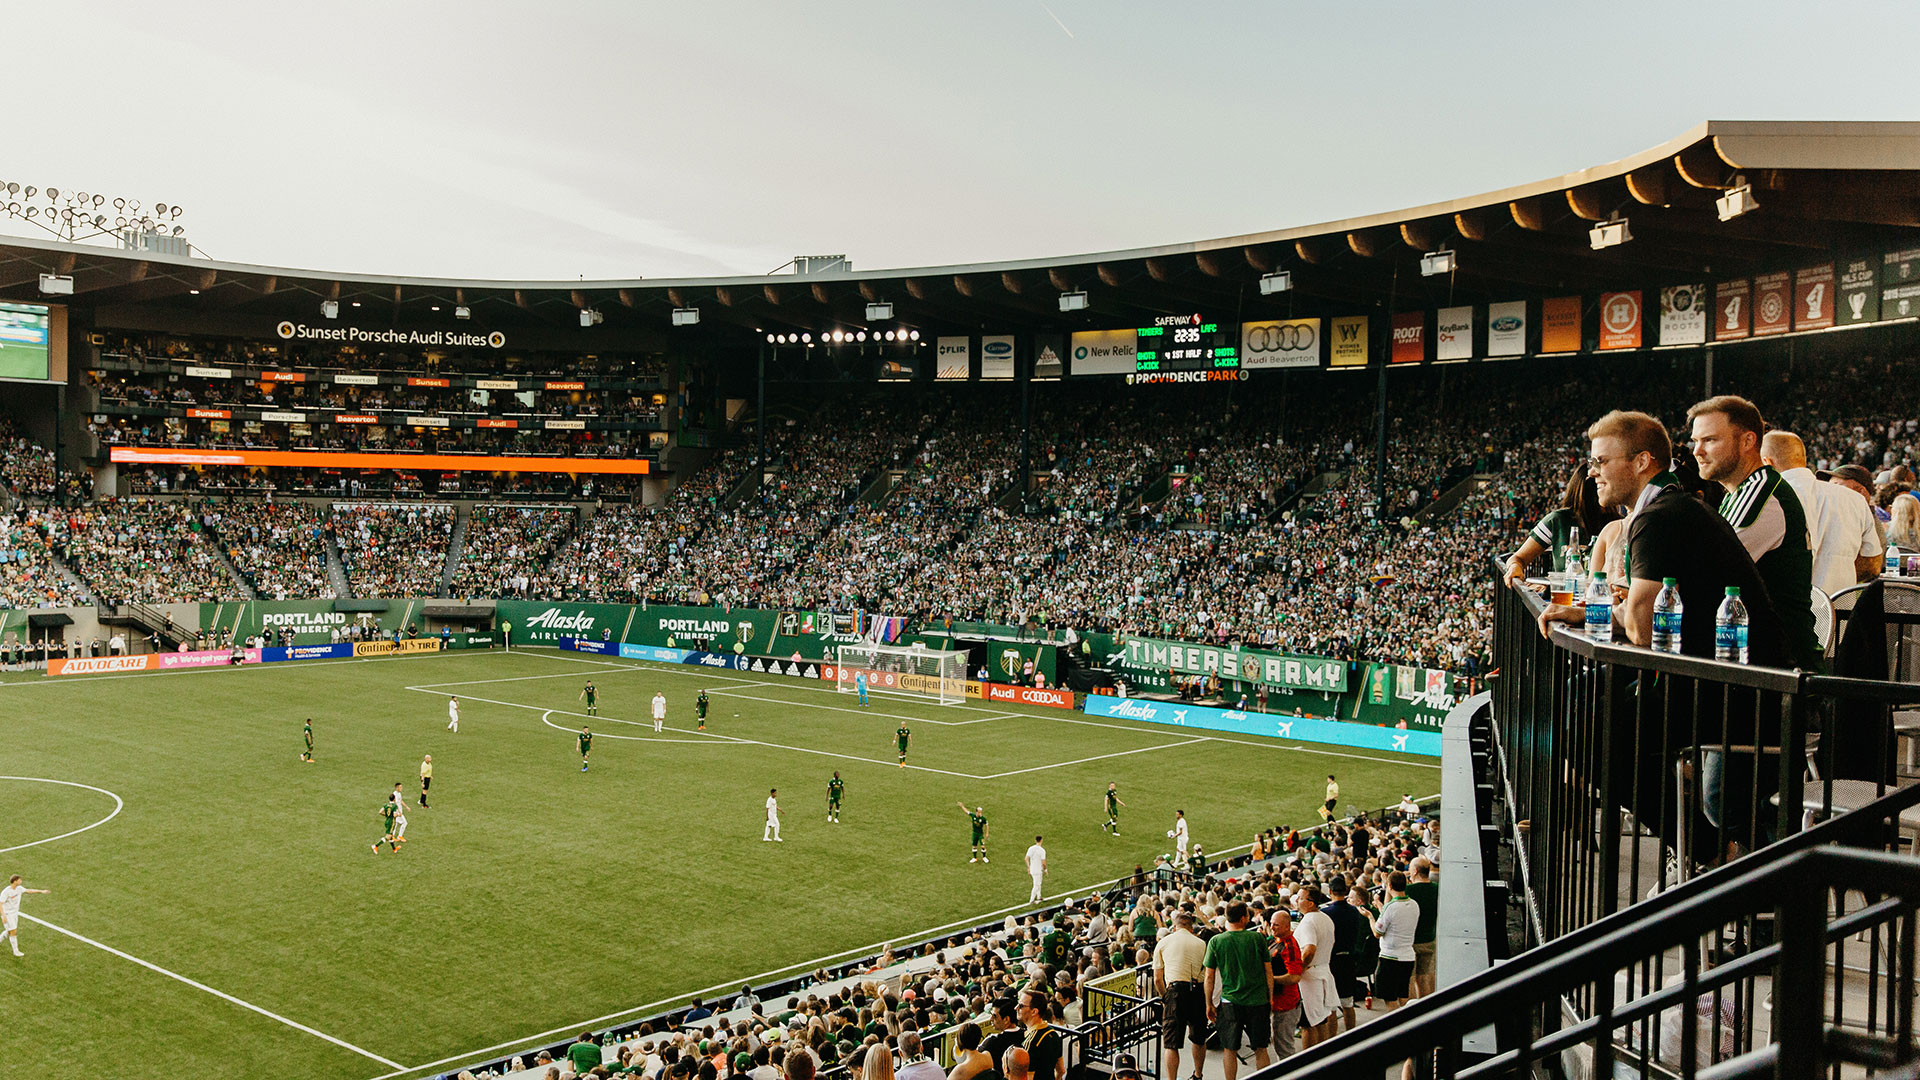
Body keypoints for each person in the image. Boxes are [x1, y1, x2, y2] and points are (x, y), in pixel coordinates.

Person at [1688, 395, 1820, 668]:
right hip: (1755, 658)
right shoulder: (1740, 492)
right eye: (1695, 441)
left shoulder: (1761, 493)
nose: (1696, 451)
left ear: (1748, 441)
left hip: (1777, 669)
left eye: (1709, 440)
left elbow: (1703, 575)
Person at [1762, 431, 1884, 595]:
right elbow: (1872, 565)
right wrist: (1835, 579)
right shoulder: (1855, 500)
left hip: (1788, 610)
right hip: (1840, 608)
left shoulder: (1767, 497)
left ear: (1766, 461)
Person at [1505, 465, 1616, 585]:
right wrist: (1514, 567)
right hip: (1565, 599)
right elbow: (1518, 558)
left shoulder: (1618, 524)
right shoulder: (1557, 520)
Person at [1203, 901, 1274, 1080]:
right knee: (1261, 1048)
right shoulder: (1257, 938)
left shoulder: (1216, 941)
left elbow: (1209, 977)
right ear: (1243, 918)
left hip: (1230, 1002)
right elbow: (1268, 971)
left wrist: (1209, 1003)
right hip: (1257, 1001)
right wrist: (1270, 997)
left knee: (1230, 1048)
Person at [1152, 910, 1207, 1080]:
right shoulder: (1201, 943)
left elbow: (1157, 979)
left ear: (1174, 927)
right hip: (1197, 990)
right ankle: (1198, 1074)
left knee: (1171, 1043)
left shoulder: (1163, 943)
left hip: (1174, 991)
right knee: (1199, 1038)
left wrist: (1164, 997)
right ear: (1191, 928)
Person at [1291, 888, 1339, 1048]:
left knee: (1309, 1024)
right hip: (1323, 970)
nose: (1297, 901)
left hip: (1310, 978)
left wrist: (1300, 969)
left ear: (1310, 903)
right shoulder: (1325, 918)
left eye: (1300, 898)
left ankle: (1309, 1061)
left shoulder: (1308, 921)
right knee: (1322, 1019)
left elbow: (1309, 949)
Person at [1367, 872, 1419, 1012]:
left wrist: (1370, 918)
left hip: (1390, 959)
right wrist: (1386, 887)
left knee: (1390, 1000)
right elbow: (1389, 913)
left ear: (1390, 886)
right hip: (1407, 957)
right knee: (1403, 996)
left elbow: (1377, 933)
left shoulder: (1391, 908)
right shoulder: (1413, 904)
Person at [1267, 909, 1305, 1060]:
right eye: (1271, 924)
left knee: (1284, 1049)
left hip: (1287, 1004)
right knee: (1279, 1045)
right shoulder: (1275, 941)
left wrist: (1271, 979)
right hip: (1278, 1003)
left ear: (1286, 926)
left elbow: (1295, 977)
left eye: (1276, 925)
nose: (1272, 927)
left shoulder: (1289, 946)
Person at [1404, 857, 1440, 998]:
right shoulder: (1437, 889)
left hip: (1410, 942)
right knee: (1425, 977)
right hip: (1429, 939)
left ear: (1415, 871)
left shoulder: (1408, 890)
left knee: (1409, 980)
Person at [1016, 988, 1063, 1080]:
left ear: (1034, 1011)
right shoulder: (1053, 1034)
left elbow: (1028, 1078)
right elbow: (1061, 1070)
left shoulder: (1031, 1043)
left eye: (1020, 1006)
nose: (1016, 1008)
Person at [2, 875, 49, 957]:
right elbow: (0, 904)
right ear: (15, 881)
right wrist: (3, 916)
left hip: (14, 914)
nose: (21, 881)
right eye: (19, 880)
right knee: (13, 932)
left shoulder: (19, 888)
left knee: (10, 931)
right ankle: (15, 951)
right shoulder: (6, 892)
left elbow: (29, 891)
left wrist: (41, 891)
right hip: (7, 914)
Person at [1024, 835, 1048, 903]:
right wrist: (1045, 870)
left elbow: (1026, 859)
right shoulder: (1042, 850)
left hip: (1032, 869)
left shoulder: (1031, 848)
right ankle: (1031, 900)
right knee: (1036, 885)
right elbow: (1043, 863)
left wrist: (1028, 867)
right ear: (1041, 841)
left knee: (1038, 883)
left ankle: (1039, 896)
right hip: (1038, 870)